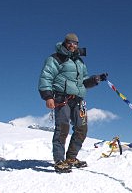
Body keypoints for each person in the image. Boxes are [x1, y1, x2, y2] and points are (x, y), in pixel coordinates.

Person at [38, 33, 108, 173]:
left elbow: (83, 81)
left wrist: (96, 79)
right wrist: (48, 96)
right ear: (65, 43)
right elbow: (46, 77)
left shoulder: (79, 62)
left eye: (75, 43)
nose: (72, 45)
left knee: (82, 128)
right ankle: (59, 160)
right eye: (69, 42)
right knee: (62, 128)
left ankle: (71, 157)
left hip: (78, 99)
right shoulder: (56, 58)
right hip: (61, 98)